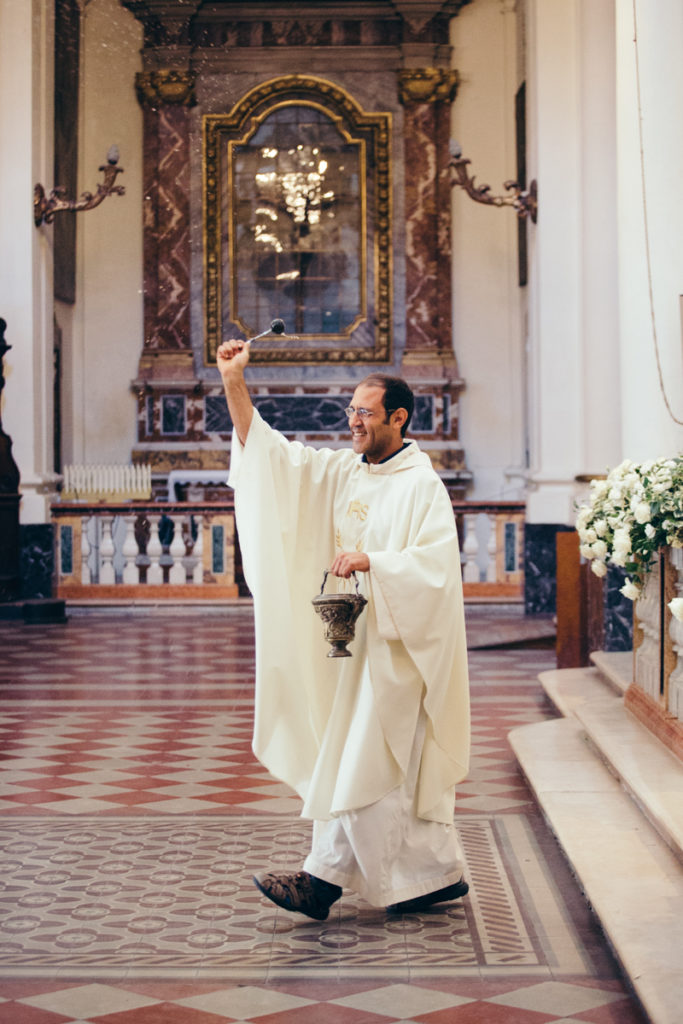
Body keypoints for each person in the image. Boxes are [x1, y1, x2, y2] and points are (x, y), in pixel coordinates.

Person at [218, 337, 470, 921]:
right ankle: (435, 875)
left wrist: (374, 562)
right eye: (350, 411)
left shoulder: (421, 486)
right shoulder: (343, 472)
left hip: (398, 654)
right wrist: (234, 381)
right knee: (373, 768)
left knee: (367, 762)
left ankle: (320, 883)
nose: (353, 421)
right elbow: (273, 457)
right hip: (354, 652)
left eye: (365, 412)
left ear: (398, 418)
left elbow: (436, 569)